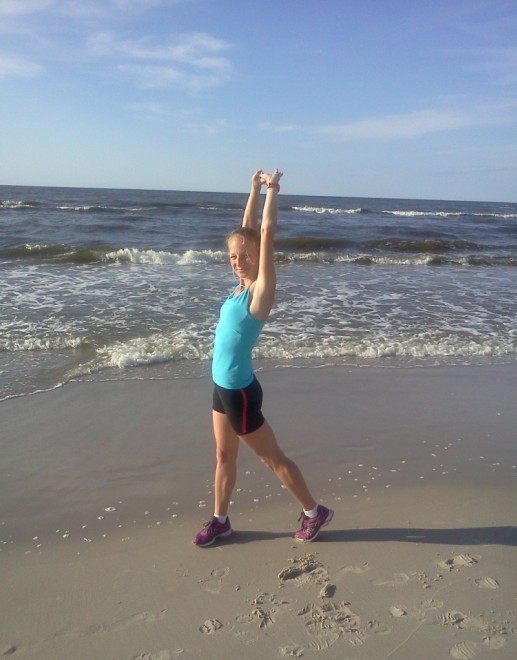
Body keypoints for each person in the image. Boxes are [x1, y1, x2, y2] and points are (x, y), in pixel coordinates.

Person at [193, 169, 333, 547]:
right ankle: (220, 521)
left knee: (273, 460)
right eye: (233, 256)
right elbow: (249, 230)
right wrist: (252, 189)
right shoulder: (240, 284)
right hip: (222, 387)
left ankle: (313, 512)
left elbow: (265, 232)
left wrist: (273, 189)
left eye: (245, 256)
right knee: (223, 456)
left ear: (257, 257)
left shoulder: (259, 292)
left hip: (239, 394)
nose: (238, 261)